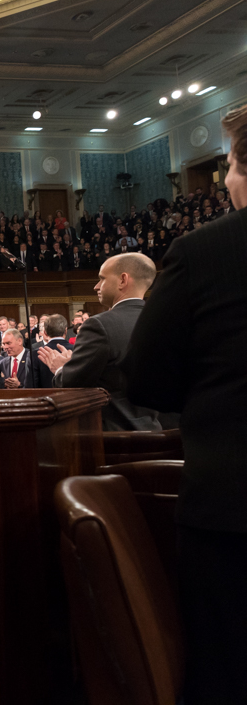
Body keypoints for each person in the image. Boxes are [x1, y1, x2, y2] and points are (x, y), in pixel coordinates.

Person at [122, 104, 247, 703]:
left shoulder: (203, 250)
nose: (223, 178)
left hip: (235, 508)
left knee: (228, 670)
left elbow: (147, 377)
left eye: (227, 165)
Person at [37, 253, 159, 430]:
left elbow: (72, 385)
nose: (96, 287)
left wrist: (62, 368)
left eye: (101, 279)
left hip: (112, 438)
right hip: (157, 433)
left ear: (123, 280)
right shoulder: (165, 321)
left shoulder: (99, 325)